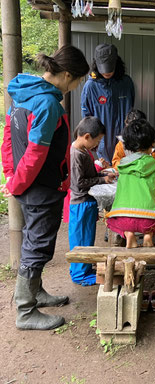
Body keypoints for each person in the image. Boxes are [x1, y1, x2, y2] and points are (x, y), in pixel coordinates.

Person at [0, 45, 90, 330]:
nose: (76, 86)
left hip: (32, 185)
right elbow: (36, 152)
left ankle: (35, 293)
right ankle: (25, 311)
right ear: (65, 75)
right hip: (40, 187)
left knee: (36, 240)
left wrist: (11, 176)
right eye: (77, 81)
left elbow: (7, 139)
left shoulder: (23, 95)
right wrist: (15, 181)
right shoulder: (48, 104)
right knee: (37, 245)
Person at [106, 120, 155, 248]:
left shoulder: (122, 166)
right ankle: (149, 235)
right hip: (150, 219)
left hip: (123, 217)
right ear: (153, 143)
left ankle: (128, 234)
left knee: (113, 220)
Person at [69, 117, 116, 286]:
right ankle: (80, 274)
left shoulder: (84, 151)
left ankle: (85, 268)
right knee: (80, 240)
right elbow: (79, 183)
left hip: (87, 203)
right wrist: (103, 181)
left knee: (87, 239)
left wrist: (104, 176)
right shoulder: (75, 154)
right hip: (80, 203)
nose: (98, 144)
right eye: (98, 140)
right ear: (87, 136)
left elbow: (89, 176)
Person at [81, 44, 135, 164]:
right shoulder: (91, 86)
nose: (107, 72)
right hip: (103, 140)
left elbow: (131, 111)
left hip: (124, 139)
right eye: (104, 69)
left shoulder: (126, 83)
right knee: (107, 173)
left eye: (110, 68)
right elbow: (87, 117)